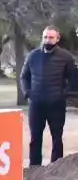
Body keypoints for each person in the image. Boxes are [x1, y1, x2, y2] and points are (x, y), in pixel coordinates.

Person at [20, 25, 77, 166]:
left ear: (57, 39)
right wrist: (27, 93)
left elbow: (75, 79)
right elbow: (24, 77)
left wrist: (65, 93)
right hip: (36, 105)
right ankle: (34, 168)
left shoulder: (66, 57)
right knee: (35, 138)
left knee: (57, 138)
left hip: (56, 105)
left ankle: (56, 168)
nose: (47, 40)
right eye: (45, 37)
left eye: (51, 37)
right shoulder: (33, 56)